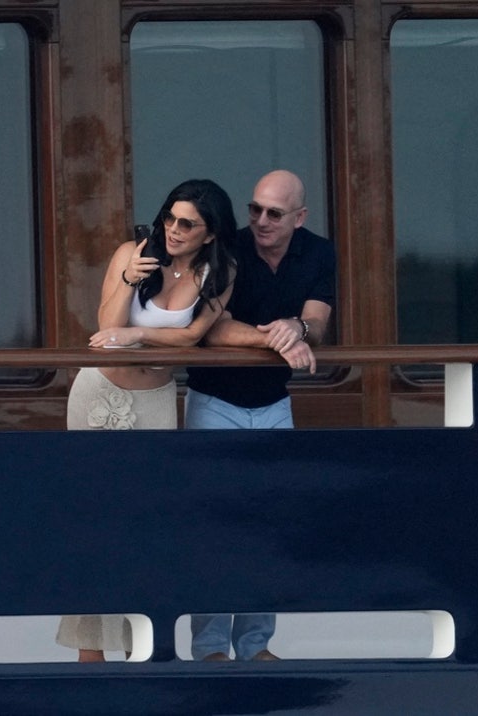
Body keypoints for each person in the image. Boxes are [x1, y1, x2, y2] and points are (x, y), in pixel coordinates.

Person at [57, 179, 237, 661]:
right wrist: (128, 282)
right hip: (97, 394)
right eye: (169, 219)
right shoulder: (130, 253)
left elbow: (194, 337)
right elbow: (106, 328)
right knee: (96, 523)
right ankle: (90, 657)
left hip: (155, 400)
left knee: (146, 525)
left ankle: (143, 648)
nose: (173, 230)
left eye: (187, 224)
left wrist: (140, 338)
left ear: (211, 234)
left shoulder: (219, 272)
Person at [184, 169, 336, 661]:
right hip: (214, 403)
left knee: (268, 528)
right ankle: (209, 647)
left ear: (300, 217)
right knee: (215, 529)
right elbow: (211, 329)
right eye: (255, 209)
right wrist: (279, 338)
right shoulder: (228, 248)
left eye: (274, 213)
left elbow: (316, 322)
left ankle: (255, 645)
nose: (261, 221)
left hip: (275, 405)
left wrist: (298, 327)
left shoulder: (317, 251)